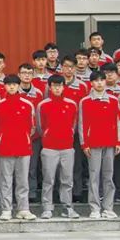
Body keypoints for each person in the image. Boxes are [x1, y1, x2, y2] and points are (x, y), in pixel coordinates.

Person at [0, 75, 37, 221]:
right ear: (4, 86)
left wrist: (25, 138)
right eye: (9, 84)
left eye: (14, 84)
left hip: (23, 148)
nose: (11, 87)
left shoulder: (27, 104)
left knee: (23, 180)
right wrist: (1, 139)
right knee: (6, 180)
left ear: (19, 86)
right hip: (5, 148)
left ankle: (23, 209)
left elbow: (32, 127)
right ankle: (6, 209)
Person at [36, 75, 79, 219]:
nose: (57, 88)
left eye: (59, 85)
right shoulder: (43, 105)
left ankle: (67, 207)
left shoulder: (71, 104)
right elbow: (40, 126)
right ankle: (47, 208)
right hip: (49, 147)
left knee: (67, 179)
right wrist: (47, 135)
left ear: (63, 87)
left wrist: (68, 135)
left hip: (67, 147)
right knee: (48, 179)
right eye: (54, 86)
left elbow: (73, 125)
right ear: (49, 87)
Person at [78, 75, 120, 219]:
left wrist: (118, 141)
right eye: (96, 81)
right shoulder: (85, 101)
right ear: (91, 83)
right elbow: (82, 123)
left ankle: (108, 208)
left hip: (110, 143)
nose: (99, 83)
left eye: (101, 80)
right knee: (94, 176)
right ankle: (94, 208)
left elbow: (118, 121)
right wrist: (84, 143)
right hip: (93, 143)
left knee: (108, 176)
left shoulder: (114, 100)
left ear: (105, 82)